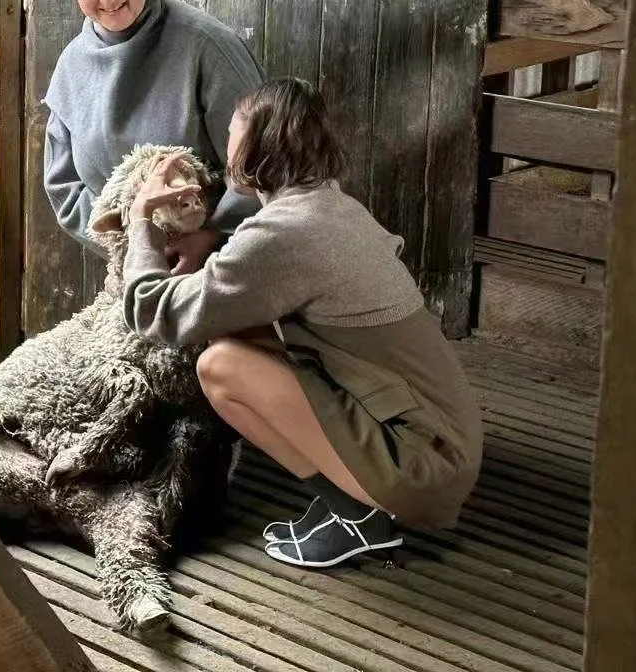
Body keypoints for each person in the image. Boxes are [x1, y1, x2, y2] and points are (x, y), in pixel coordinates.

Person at [114, 78, 484, 568]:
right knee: (237, 332)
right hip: (439, 438)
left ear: (259, 147)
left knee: (221, 366)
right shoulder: (330, 204)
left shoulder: (284, 233)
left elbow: (153, 311)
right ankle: (354, 510)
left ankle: (358, 516)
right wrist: (213, 245)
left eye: (231, 135)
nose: (225, 148)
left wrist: (141, 218)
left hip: (422, 465)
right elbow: (261, 275)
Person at [42, 0, 264, 273]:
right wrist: (134, 246)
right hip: (127, 263)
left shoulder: (208, 48)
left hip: (218, 265)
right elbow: (63, 185)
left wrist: (212, 238)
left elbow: (263, 162)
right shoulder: (72, 64)